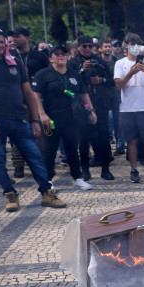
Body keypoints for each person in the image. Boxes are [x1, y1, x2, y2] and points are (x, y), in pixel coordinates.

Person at [0, 28, 67, 212]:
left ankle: (47, 193)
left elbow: (28, 92)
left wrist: (34, 119)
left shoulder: (14, 61)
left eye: (1, 41)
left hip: (19, 119)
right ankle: (10, 194)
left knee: (35, 157)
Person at [32, 46, 96, 190]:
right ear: (51, 58)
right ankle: (47, 180)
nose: (61, 56)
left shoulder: (73, 74)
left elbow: (83, 93)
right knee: (50, 150)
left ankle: (78, 178)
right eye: (57, 54)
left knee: (72, 148)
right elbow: (36, 96)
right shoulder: (43, 74)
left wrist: (91, 110)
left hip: (72, 118)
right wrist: (41, 114)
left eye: (63, 53)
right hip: (51, 119)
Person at [113, 36, 144, 183]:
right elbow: (118, 85)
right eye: (133, 44)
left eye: (138, 44)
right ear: (126, 45)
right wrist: (130, 73)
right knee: (131, 141)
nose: (135, 47)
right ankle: (134, 170)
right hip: (128, 108)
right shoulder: (120, 63)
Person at [70, 36, 115, 181]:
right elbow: (71, 83)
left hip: (100, 104)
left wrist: (100, 80)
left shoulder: (100, 61)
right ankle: (85, 170)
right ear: (78, 47)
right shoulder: (72, 63)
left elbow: (111, 81)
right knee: (84, 139)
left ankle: (105, 169)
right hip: (82, 107)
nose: (87, 49)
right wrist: (82, 71)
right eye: (84, 46)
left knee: (103, 137)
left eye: (90, 46)